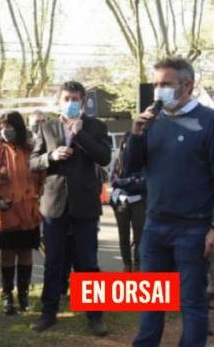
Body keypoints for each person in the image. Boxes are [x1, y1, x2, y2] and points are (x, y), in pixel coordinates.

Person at [125, 57, 214, 347]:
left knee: (192, 301)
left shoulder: (209, 121)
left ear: (188, 85)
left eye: (166, 84)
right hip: (155, 226)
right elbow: (130, 169)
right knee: (151, 300)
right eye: (156, 84)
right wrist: (136, 134)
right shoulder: (152, 122)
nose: (158, 90)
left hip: (194, 228)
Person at [29, 81, 111, 336]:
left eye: (76, 98)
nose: (71, 102)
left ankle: (95, 316)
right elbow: (33, 162)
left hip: (85, 204)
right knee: (54, 262)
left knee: (88, 262)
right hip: (55, 205)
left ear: (83, 101)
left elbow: (104, 157)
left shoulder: (96, 126)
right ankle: (48, 313)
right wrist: (50, 157)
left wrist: (80, 134)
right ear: (59, 100)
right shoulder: (47, 126)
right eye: (66, 98)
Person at [0, 111, 42, 315]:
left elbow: (44, 179)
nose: (5, 130)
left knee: (26, 253)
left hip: (30, 214)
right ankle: (7, 296)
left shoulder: (33, 151)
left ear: (19, 128)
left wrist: (40, 201)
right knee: (7, 255)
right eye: (2, 126)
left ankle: (23, 295)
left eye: (9, 126)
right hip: (7, 215)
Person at [109, 132, 146, 272]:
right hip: (121, 201)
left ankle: (138, 264)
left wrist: (125, 183)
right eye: (126, 143)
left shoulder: (143, 161)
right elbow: (113, 181)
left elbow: (143, 183)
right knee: (123, 234)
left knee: (139, 235)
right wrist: (132, 181)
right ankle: (126, 264)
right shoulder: (117, 160)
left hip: (138, 201)